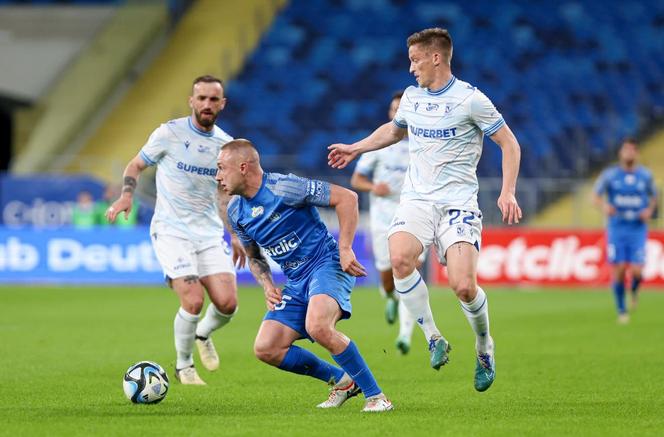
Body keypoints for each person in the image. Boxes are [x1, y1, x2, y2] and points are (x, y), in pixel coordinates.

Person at [328, 28, 522, 392]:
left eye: (415, 60)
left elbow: (509, 143)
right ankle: (433, 337)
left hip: (458, 203)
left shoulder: (471, 100)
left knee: (464, 287)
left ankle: (484, 347)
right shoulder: (412, 98)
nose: (411, 68)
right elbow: (394, 131)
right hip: (417, 199)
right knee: (399, 258)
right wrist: (356, 148)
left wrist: (507, 191)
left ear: (436, 58)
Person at [218, 139, 393, 412]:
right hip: (296, 280)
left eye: (221, 168)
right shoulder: (236, 212)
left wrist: (346, 248)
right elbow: (253, 256)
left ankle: (378, 397)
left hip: (327, 263)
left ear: (242, 167)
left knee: (319, 326)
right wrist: (266, 284)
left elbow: (347, 198)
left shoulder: (285, 187)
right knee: (267, 348)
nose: (218, 176)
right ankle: (344, 381)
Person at [106, 75, 245, 385]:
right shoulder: (169, 133)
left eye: (213, 99)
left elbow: (225, 195)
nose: (207, 104)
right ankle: (184, 366)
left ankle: (202, 333)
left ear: (222, 104)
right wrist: (127, 195)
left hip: (208, 233)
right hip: (171, 230)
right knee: (193, 300)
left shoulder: (225, 145)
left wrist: (235, 234)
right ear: (191, 101)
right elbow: (135, 165)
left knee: (228, 303)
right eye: (202, 98)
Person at [350, 90, 420, 355]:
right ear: (391, 114)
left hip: (413, 215)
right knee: (389, 279)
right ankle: (389, 297)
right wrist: (372, 187)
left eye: (402, 108)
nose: (397, 113)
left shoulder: (422, 145)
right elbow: (356, 180)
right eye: (394, 109)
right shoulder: (379, 145)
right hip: (381, 219)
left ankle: (405, 335)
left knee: (410, 273)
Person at [592, 138, 656, 324]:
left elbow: (654, 197)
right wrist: (604, 206)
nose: (629, 153)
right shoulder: (610, 175)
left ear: (636, 153)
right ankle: (621, 309)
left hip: (637, 230)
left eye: (632, 150)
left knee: (637, 271)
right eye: (626, 150)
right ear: (621, 153)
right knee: (618, 269)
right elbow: (594, 197)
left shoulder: (645, 176)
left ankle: (634, 290)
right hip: (617, 229)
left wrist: (650, 211)